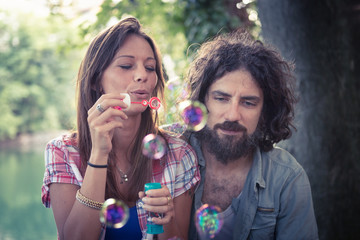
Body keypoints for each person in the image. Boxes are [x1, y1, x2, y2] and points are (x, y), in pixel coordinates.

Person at [41, 17, 199, 240]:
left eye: (150, 67)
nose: (142, 75)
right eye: (126, 66)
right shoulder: (63, 152)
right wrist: (99, 153)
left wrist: (167, 220)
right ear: (96, 80)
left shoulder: (178, 153)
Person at [185, 29, 319, 239]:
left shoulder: (287, 178)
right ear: (202, 101)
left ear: (265, 112)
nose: (233, 115)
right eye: (221, 98)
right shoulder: (173, 156)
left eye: (248, 103)